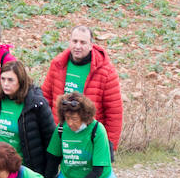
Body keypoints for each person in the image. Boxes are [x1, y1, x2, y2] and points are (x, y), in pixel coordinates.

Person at [39, 25, 124, 153]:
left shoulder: (106, 72)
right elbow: (45, 99)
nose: (78, 46)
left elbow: (114, 112)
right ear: (69, 42)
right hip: (60, 136)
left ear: (91, 45)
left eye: (83, 42)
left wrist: (110, 145)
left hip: (89, 139)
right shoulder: (57, 65)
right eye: (74, 41)